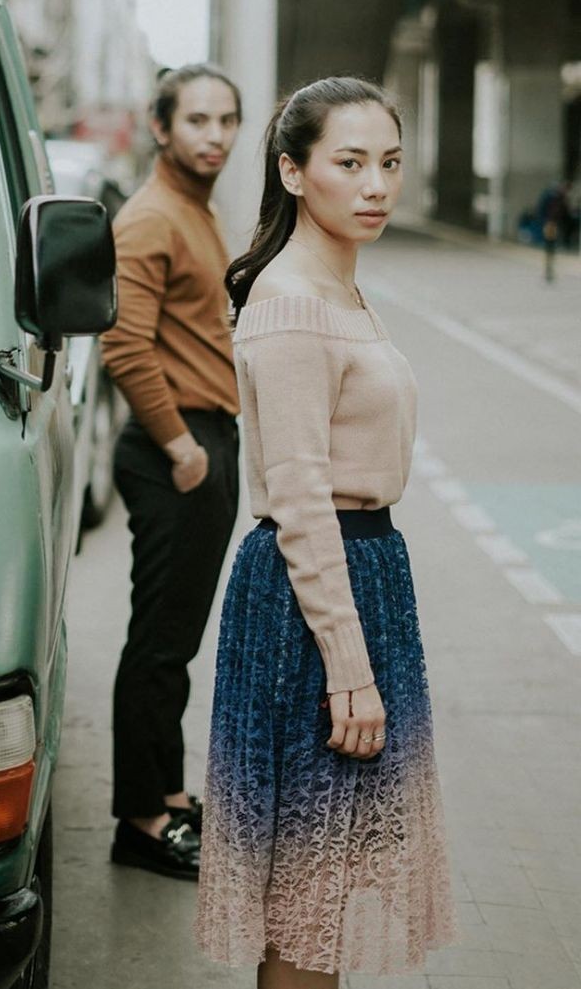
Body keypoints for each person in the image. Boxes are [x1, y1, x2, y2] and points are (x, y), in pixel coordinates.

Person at [195, 77, 457, 984]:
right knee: (309, 890)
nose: (376, 184)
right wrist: (350, 671)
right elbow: (301, 496)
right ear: (294, 173)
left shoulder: (337, 287)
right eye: (349, 163)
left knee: (335, 884)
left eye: (388, 162)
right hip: (316, 599)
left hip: (365, 577)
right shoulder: (293, 299)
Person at [100, 64, 243, 880]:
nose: (214, 134)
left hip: (200, 440)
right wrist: (182, 448)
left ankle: (169, 793)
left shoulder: (196, 209)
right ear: (161, 128)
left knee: (175, 641)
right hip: (175, 449)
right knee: (157, 643)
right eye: (196, 119)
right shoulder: (152, 217)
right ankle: (142, 820)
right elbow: (124, 343)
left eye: (225, 119)